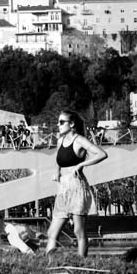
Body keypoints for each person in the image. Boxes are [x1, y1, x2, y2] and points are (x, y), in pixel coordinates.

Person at [42, 110, 108, 256]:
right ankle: (49, 262)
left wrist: (80, 165)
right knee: (52, 231)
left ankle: (81, 261)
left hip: (77, 187)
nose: (58, 125)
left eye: (61, 122)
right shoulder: (60, 141)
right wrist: (57, 171)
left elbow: (102, 154)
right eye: (58, 122)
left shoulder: (79, 140)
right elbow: (59, 159)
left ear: (71, 124)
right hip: (63, 189)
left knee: (78, 230)